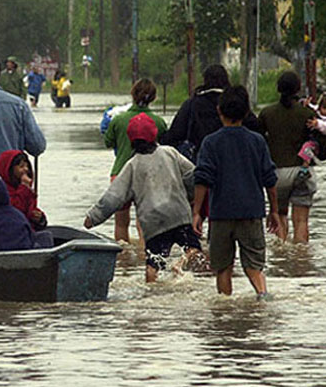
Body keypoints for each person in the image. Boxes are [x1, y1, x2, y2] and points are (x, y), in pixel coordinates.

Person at [84, 113, 205, 283]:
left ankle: (151, 292)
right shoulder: (170, 153)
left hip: (153, 223)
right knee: (194, 249)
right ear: (154, 134)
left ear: (131, 140)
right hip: (178, 215)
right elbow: (192, 176)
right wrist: (192, 199)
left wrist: (92, 218)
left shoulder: (132, 166)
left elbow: (113, 197)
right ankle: (179, 264)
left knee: (152, 266)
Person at [193, 86, 280, 299]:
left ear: (219, 111)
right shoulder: (257, 141)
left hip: (220, 213)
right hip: (251, 212)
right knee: (254, 265)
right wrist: (274, 211)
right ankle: (262, 294)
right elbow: (270, 180)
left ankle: (226, 308)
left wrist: (196, 212)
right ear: (247, 112)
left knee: (223, 268)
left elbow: (202, 179)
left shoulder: (211, 142)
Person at [258, 71, 326, 243]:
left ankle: (283, 261)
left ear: (278, 89)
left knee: (280, 218)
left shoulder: (267, 114)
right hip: (303, 171)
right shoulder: (307, 114)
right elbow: (323, 150)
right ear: (298, 89)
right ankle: (301, 262)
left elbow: (258, 143)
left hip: (277, 175)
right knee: (301, 221)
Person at [102, 78, 167, 243]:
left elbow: (108, 142)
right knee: (144, 223)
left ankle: (123, 264)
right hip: (148, 176)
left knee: (121, 223)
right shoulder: (159, 122)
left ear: (132, 94)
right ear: (153, 98)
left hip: (120, 175)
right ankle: (147, 261)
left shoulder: (117, 120)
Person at [160, 64, 260, 163]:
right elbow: (255, 126)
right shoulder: (234, 101)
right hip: (236, 157)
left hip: (201, 158)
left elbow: (175, 134)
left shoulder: (192, 104)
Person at [0, 149, 48, 231]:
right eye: (21, 166)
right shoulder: (2, 191)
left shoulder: (24, 188)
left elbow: (30, 209)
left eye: (27, 166)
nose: (26, 169)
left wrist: (40, 218)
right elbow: (16, 211)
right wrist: (24, 188)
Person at [297, 91, 326, 178]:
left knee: (307, 147)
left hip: (319, 145)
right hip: (312, 139)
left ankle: (304, 169)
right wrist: (305, 103)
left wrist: (318, 124)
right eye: (324, 108)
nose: (325, 111)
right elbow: (312, 108)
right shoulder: (316, 113)